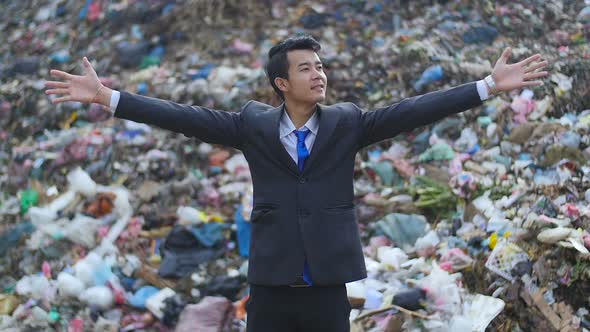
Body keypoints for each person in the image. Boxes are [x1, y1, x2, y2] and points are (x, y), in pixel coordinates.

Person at [45, 35, 548, 331]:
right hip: (271, 281)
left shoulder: (348, 122)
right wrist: (108, 97)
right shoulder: (252, 124)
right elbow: (183, 116)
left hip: (328, 282)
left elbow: (412, 110)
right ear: (281, 83)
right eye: (306, 68)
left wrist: (485, 87)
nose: (319, 74)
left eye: (321, 66)